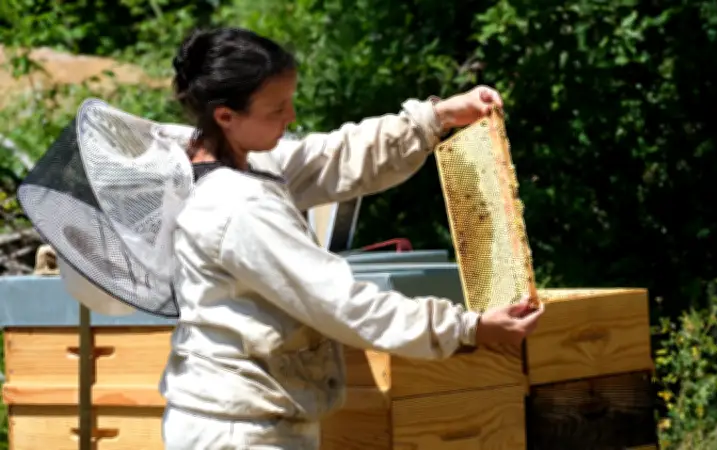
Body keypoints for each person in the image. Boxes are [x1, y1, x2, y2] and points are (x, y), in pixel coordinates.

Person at [159, 26, 545, 450]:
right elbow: (340, 303)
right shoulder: (237, 207)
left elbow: (335, 156)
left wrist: (438, 117)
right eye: (276, 109)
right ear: (226, 116)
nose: (290, 117)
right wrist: (467, 328)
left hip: (244, 415)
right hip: (240, 430)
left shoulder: (241, 160)